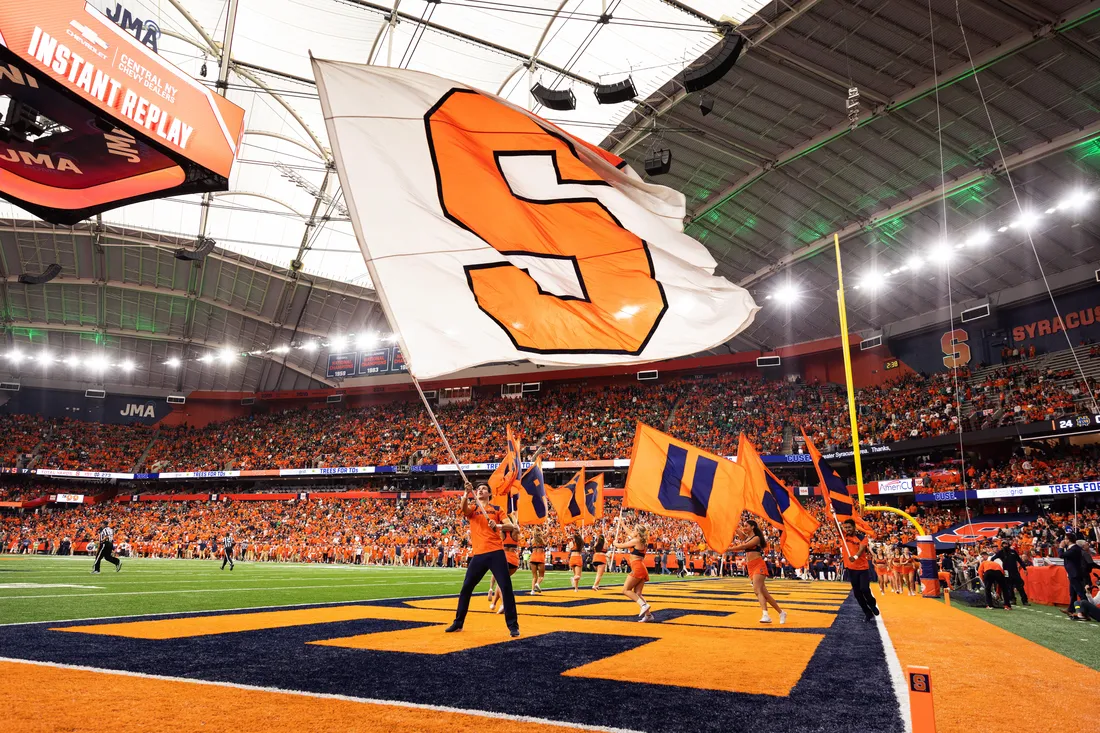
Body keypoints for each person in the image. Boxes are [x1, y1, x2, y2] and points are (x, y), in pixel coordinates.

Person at [445, 482, 520, 637]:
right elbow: (464, 509)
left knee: (506, 587)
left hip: (496, 552)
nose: (480, 490)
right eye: (478, 489)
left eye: (483, 489)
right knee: (466, 588)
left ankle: (513, 626)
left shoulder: (497, 509)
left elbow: (510, 526)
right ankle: (458, 623)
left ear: (489, 493)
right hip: (479, 554)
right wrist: (466, 493)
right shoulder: (474, 509)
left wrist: (497, 526)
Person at [729, 519, 786, 624]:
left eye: (746, 526)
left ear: (752, 527)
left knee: (756, 590)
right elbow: (737, 531)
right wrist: (731, 522)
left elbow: (744, 546)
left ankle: (766, 615)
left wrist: (728, 549)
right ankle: (781, 612)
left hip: (758, 564)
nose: (744, 528)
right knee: (765, 594)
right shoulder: (747, 538)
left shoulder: (757, 538)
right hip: (750, 566)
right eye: (744, 526)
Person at [840, 519, 878, 622]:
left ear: (854, 527)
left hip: (862, 569)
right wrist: (832, 512)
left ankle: (872, 604)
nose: (847, 529)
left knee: (864, 589)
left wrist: (855, 557)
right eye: (846, 527)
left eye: (849, 527)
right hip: (851, 569)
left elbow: (861, 550)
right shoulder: (843, 536)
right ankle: (867, 612)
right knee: (857, 594)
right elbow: (836, 526)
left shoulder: (862, 537)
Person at [613, 522, 652, 622]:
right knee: (638, 593)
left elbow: (621, 546)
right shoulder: (640, 540)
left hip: (637, 568)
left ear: (638, 533)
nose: (632, 531)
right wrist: (622, 524)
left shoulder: (636, 541)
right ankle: (648, 615)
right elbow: (630, 532)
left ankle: (643, 605)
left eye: (635, 530)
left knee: (625, 590)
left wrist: (615, 543)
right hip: (642, 567)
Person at [490, 513, 521, 614]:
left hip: (504, 559)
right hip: (514, 561)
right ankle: (495, 603)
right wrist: (514, 517)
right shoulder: (515, 533)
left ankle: (504, 604)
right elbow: (516, 527)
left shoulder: (502, 534)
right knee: (502, 582)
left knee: (500, 582)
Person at [1062, 537, 1100, 615]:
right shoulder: (1084, 553)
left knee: (1079, 592)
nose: (1088, 545)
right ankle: (1074, 609)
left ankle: (1085, 610)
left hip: (1078, 574)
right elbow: (1090, 563)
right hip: (1082, 574)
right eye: (1086, 544)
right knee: (1078, 592)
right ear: (1082, 546)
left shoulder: (1078, 552)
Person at [993, 539, 1028, 606]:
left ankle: (1024, 601)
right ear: (1002, 545)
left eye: (1006, 544)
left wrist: (1024, 568)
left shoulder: (1013, 552)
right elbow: (993, 559)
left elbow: (1020, 560)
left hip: (1015, 571)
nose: (1005, 545)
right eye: (1003, 544)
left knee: (1020, 586)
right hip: (1006, 572)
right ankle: (1012, 600)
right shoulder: (1000, 552)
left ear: (1008, 544)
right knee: (1009, 587)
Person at [528, 526, 546, 595]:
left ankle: (532, 591)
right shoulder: (541, 540)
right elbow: (547, 534)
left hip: (533, 557)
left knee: (534, 576)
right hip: (540, 557)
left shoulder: (532, 540)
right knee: (541, 575)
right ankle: (537, 584)